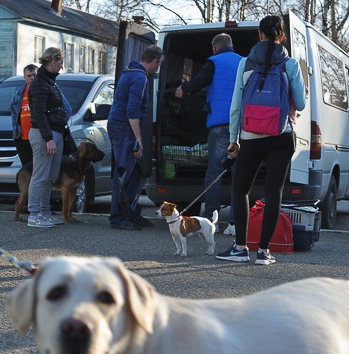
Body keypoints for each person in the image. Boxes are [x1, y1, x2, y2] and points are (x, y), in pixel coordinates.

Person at [216, 15, 306, 265]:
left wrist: (234, 139)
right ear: (282, 36)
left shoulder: (245, 63)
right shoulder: (290, 64)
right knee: (273, 191)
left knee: (241, 189)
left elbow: (236, 106)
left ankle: (240, 247)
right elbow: (300, 103)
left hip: (251, 136)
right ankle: (263, 252)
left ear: (260, 34)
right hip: (281, 135)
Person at [175, 33, 241, 236]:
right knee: (239, 177)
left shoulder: (213, 62)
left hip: (220, 126)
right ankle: (235, 224)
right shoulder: (244, 62)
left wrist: (182, 89)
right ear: (231, 46)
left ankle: (213, 222)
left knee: (214, 174)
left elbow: (198, 82)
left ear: (214, 47)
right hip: (241, 127)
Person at [108, 45, 163, 230]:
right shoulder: (140, 77)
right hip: (124, 127)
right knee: (124, 173)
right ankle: (118, 218)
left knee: (135, 173)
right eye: (158, 64)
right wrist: (138, 139)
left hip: (120, 125)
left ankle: (131, 213)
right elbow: (132, 109)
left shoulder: (129, 72)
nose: (157, 68)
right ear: (154, 61)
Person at [26, 47, 68, 228]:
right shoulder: (40, 84)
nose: (61, 66)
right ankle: (34, 215)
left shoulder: (50, 81)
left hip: (55, 133)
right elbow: (40, 114)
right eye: (60, 62)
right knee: (40, 175)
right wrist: (48, 138)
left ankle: (45, 212)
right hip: (44, 134)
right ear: (52, 61)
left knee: (51, 176)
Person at [11, 64, 37, 167]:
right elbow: (13, 113)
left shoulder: (45, 90)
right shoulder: (19, 93)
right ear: (24, 77)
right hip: (23, 140)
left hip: (40, 139)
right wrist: (17, 129)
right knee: (27, 172)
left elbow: (66, 109)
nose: (32, 78)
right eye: (29, 75)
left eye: (34, 75)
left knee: (39, 172)